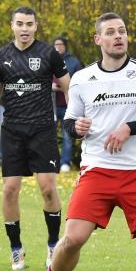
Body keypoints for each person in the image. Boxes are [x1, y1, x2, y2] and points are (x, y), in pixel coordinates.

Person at [44, 12, 136, 271]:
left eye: (122, 31)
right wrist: (76, 127)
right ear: (98, 39)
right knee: (72, 239)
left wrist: (129, 128)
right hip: (97, 170)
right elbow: (69, 122)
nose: (118, 36)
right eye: (111, 32)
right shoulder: (82, 78)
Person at [0, 6, 70, 271]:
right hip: (13, 131)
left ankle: (53, 245)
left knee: (47, 188)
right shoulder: (1, 57)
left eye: (29, 24)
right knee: (10, 190)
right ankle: (16, 250)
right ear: (12, 26)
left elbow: (69, 88)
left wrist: (74, 117)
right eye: (20, 24)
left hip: (42, 130)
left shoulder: (49, 53)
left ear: (36, 26)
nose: (24, 29)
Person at [52, 36, 83, 172]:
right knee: (49, 136)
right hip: (51, 105)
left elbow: (80, 81)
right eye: (56, 44)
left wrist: (66, 87)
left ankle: (65, 163)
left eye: (60, 44)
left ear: (65, 46)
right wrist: (50, 86)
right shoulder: (48, 60)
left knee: (67, 137)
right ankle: (52, 161)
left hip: (68, 106)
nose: (58, 47)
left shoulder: (74, 62)